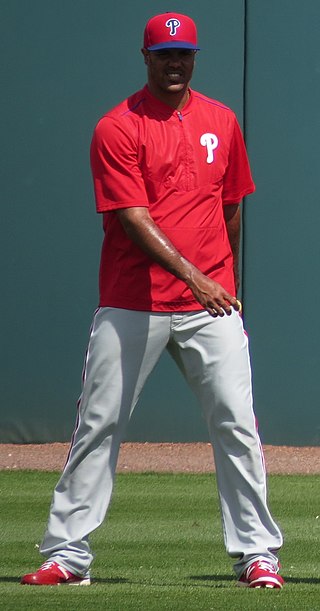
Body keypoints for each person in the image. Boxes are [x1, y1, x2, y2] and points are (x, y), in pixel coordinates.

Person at [21, 12, 284, 589]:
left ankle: (258, 554)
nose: (175, 62)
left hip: (210, 302)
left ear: (195, 57)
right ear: (146, 57)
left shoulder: (222, 120)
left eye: (184, 53)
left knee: (237, 425)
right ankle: (67, 555)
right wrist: (197, 275)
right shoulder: (118, 126)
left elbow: (232, 205)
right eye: (165, 53)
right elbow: (132, 218)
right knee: (99, 425)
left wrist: (225, 281)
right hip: (132, 298)